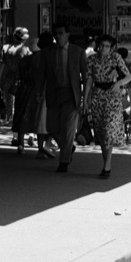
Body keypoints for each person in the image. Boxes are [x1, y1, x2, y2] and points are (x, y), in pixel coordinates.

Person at [38, 22, 87, 173]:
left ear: (67, 35)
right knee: (51, 127)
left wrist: (86, 98)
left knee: (68, 129)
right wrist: (38, 93)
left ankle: (64, 161)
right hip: (54, 93)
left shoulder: (78, 52)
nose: (57, 36)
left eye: (60, 33)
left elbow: (85, 76)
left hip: (71, 94)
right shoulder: (47, 52)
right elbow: (42, 74)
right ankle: (68, 147)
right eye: (55, 34)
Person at [85, 33, 131, 177]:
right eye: (102, 45)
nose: (104, 49)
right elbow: (88, 80)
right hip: (98, 95)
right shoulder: (92, 59)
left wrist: (119, 83)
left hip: (112, 96)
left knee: (108, 130)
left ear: (111, 48)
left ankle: (107, 166)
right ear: (98, 46)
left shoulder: (116, 58)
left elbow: (128, 76)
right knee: (100, 131)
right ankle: (106, 163)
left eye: (108, 46)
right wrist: (85, 100)